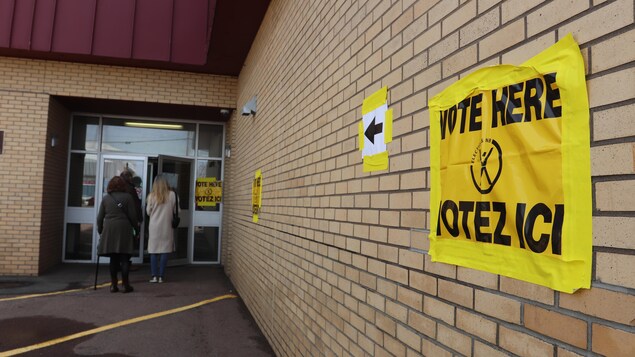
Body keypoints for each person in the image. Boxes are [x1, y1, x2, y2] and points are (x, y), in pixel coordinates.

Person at [97, 176, 138, 293]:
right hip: (124, 229)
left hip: (110, 229)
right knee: (125, 258)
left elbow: (100, 218)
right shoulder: (128, 197)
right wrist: (136, 230)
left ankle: (113, 285)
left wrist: (100, 230)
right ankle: (125, 285)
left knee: (113, 259)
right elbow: (133, 217)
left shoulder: (106, 199)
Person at [146, 175, 178, 283]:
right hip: (167, 226)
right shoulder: (172, 195)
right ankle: (161, 276)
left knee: (153, 251)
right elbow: (177, 211)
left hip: (154, 227)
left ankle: (154, 276)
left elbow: (148, 212)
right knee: (165, 250)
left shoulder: (151, 196)